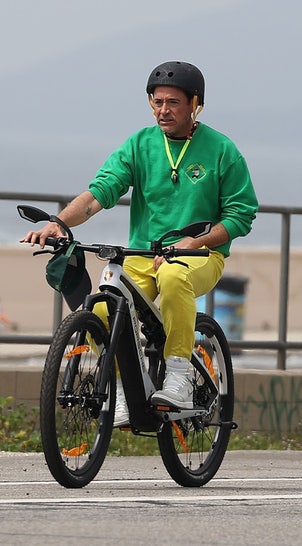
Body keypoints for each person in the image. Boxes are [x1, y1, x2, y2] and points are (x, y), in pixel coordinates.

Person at [21, 61, 259, 426]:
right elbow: (100, 192)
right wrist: (58, 222)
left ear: (195, 103)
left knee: (175, 278)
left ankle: (179, 374)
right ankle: (120, 388)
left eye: (173, 102)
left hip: (200, 255)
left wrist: (195, 242)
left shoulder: (222, 150)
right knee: (102, 304)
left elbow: (241, 214)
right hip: (144, 255)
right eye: (157, 101)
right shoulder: (139, 144)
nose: (163, 109)